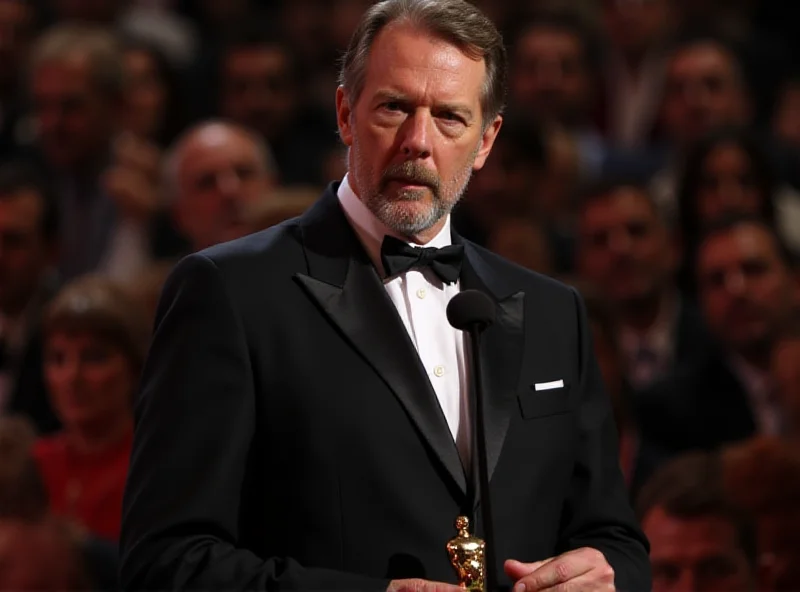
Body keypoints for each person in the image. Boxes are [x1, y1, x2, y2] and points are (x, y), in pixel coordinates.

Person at [120, 1, 651, 591]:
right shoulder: (229, 294)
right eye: (395, 107)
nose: (417, 142)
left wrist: (607, 577)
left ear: (485, 140)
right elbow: (165, 562)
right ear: (346, 113)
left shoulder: (555, 313)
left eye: (450, 117)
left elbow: (616, 543)